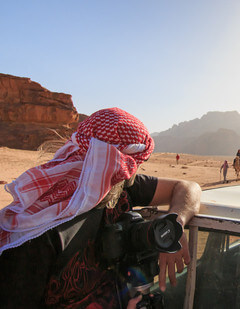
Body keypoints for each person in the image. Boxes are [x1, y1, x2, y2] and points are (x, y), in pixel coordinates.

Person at [0, 108, 202, 308]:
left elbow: (188, 187)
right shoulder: (35, 232)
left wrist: (175, 223)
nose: (134, 171)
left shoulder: (118, 186)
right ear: (117, 161)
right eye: (135, 163)